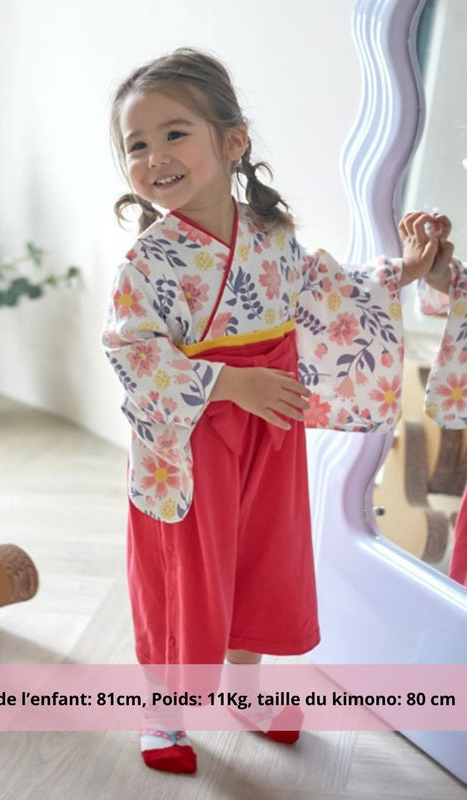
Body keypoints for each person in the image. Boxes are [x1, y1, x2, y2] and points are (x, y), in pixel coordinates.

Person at [102, 47, 456, 775]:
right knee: (185, 569)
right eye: (136, 144)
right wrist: (230, 386)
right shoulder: (148, 262)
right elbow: (131, 350)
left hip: (270, 429)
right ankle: (163, 710)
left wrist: (407, 270)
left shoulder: (269, 236)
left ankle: (245, 690)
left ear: (233, 141)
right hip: (190, 440)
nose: (154, 156)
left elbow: (329, 291)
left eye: (175, 133)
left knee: (262, 557)